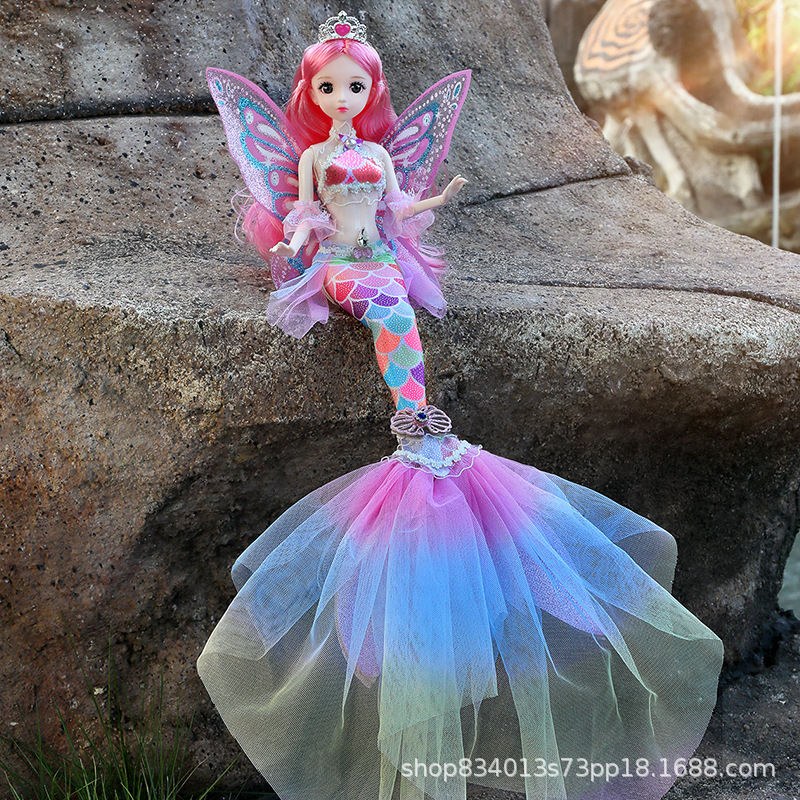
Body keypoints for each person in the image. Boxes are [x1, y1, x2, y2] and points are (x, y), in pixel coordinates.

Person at [197, 12, 724, 800]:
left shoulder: (379, 154)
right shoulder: (310, 156)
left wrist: (435, 197)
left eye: (354, 86)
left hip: (379, 252)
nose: (341, 97)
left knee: (398, 301)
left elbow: (397, 209)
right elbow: (302, 216)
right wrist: (292, 245)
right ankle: (415, 424)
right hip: (338, 264)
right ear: (312, 93)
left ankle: (420, 424)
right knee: (389, 309)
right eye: (328, 87)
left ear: (371, 92)